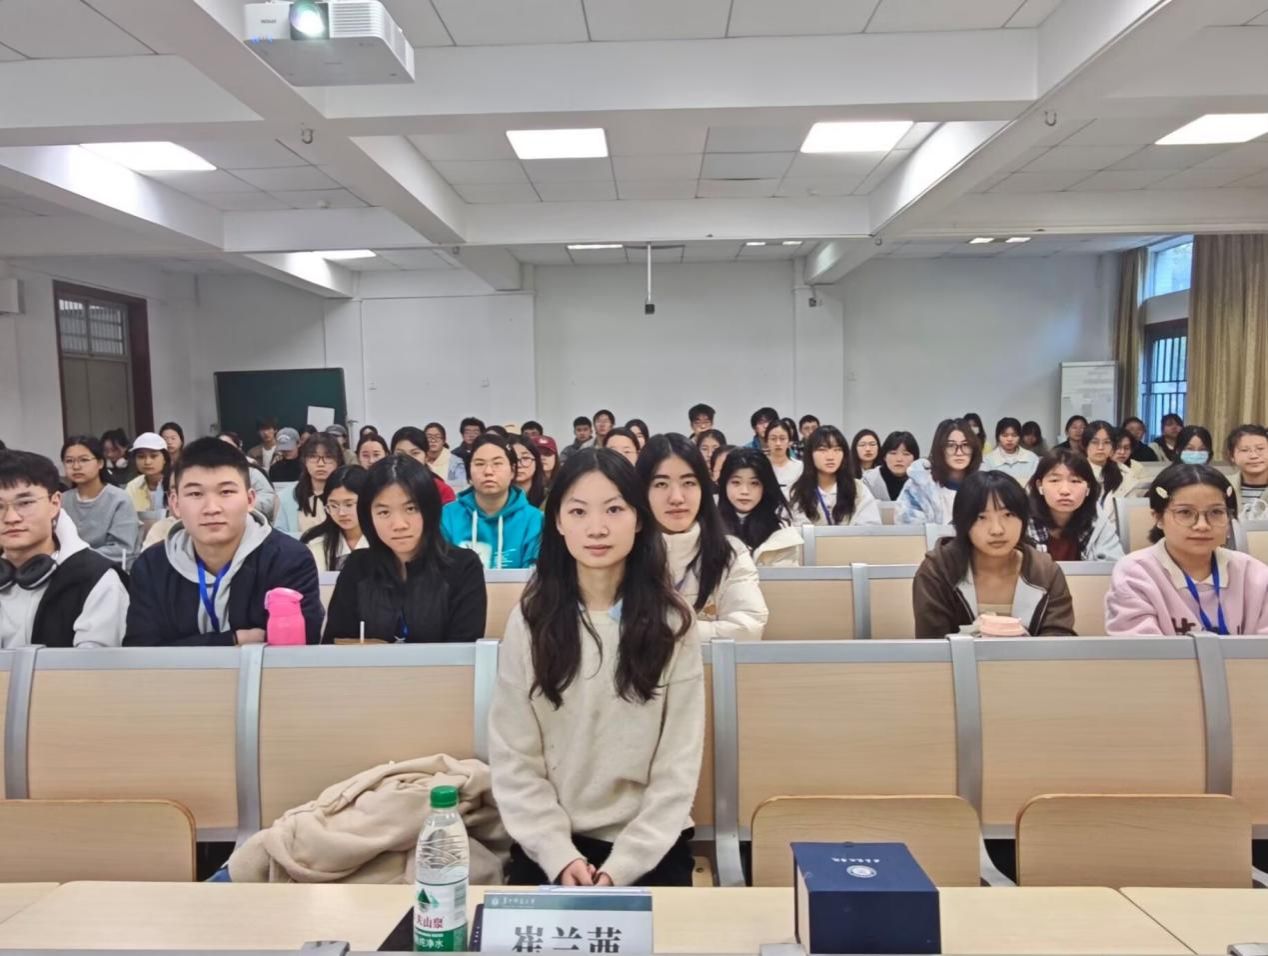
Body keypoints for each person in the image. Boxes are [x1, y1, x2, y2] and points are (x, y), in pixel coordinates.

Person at [489, 448, 702, 887]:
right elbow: (515, 757)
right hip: (550, 842)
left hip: (650, 844)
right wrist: (557, 853)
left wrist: (625, 864)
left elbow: (678, 764)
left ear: (639, 518)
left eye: (614, 509)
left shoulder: (673, 622)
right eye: (579, 511)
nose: (597, 528)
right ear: (558, 521)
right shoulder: (531, 619)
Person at [125, 437, 323, 647]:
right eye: (195, 493)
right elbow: (141, 651)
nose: (212, 508)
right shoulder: (151, 566)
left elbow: (298, 648)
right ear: (175, 504)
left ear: (250, 500)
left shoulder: (288, 559)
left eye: (226, 492)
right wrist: (233, 640)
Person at [324, 457, 486, 643]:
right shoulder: (357, 566)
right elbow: (334, 644)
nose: (399, 525)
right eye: (384, 512)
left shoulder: (463, 566)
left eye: (411, 509)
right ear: (368, 517)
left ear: (430, 510)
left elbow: (464, 650)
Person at [1105, 464, 1268, 635]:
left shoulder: (1254, 574)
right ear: (1158, 517)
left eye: (1216, 512)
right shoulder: (1136, 573)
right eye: (1185, 512)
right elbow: (1142, 649)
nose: (1202, 525)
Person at [913, 470, 1075, 638]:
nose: (997, 530)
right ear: (963, 521)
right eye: (981, 517)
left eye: (1008, 515)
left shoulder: (1045, 572)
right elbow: (933, 644)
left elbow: (1058, 641)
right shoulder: (938, 571)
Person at [638, 434, 768, 641]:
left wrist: (660, 632)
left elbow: (747, 628)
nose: (677, 498)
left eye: (688, 482)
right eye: (661, 484)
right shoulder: (623, 554)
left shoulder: (730, 553)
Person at [0, 450, 128, 648]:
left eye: (25, 503)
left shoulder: (96, 579)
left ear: (55, 503)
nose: (11, 518)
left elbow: (91, 666)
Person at [440, 434, 543, 569]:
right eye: (479, 464)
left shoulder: (534, 519)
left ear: (512, 470)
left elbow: (534, 575)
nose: (488, 471)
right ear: (469, 474)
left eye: (497, 463)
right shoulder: (447, 516)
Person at [1027, 449, 1124, 562]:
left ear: (1088, 488)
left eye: (1075, 481)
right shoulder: (1022, 520)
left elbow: (1113, 565)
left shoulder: (1098, 519)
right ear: (1039, 486)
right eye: (1054, 480)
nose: (1065, 491)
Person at [59, 436, 138, 566]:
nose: (76, 466)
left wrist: (77, 558)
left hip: (108, 570)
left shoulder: (119, 499)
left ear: (100, 463)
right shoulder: (61, 500)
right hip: (66, 568)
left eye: (84, 460)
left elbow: (122, 549)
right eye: (69, 461)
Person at [718, 448, 802, 566]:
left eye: (754, 483)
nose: (745, 491)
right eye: (736, 482)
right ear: (724, 484)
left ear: (765, 486)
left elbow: (785, 577)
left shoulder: (782, 533)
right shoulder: (707, 528)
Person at [788, 425, 881, 527]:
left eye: (837, 450)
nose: (830, 457)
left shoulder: (858, 489)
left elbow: (870, 528)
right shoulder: (796, 491)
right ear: (810, 454)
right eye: (822, 450)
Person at [896, 419, 981, 526]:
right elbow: (906, 525)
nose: (959, 452)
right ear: (940, 449)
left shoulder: (983, 486)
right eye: (951, 445)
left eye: (965, 445)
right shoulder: (918, 485)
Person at [300, 465, 368, 572]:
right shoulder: (315, 544)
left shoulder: (385, 540)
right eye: (333, 505)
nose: (341, 513)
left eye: (349, 504)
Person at [276, 434, 339, 536]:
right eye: (313, 457)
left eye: (328, 457)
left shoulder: (348, 493)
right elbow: (279, 535)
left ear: (338, 461)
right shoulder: (287, 496)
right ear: (304, 461)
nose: (321, 464)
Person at [219, 433, 279, 525]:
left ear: (238, 449)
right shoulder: (208, 474)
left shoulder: (252, 472)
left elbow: (268, 502)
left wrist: (243, 503)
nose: (224, 451)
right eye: (219, 447)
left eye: (229, 446)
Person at [390, 427, 457, 504]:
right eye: (400, 454)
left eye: (415, 453)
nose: (408, 459)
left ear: (426, 456)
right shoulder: (383, 486)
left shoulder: (441, 490)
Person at [863, 430, 919, 502]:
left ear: (915, 458)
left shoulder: (923, 482)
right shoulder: (869, 481)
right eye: (893, 453)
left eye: (906, 454)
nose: (899, 459)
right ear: (884, 457)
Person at [1227, 424, 1268, 522]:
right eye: (1244, 450)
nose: (1254, 456)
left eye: (1260, 449)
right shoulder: (1222, 484)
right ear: (1232, 456)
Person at [1080, 420, 1129, 502]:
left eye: (1106, 442)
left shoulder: (1124, 471)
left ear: (1113, 446)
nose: (1101, 447)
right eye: (1095, 442)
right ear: (1085, 445)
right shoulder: (1076, 470)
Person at [124, 432, 171, 515]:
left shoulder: (175, 482)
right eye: (141, 457)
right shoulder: (133, 486)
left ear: (165, 459)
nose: (147, 462)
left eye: (153, 456)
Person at [983, 417, 1038, 486]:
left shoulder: (1032, 458)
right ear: (998, 437)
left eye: (1014, 435)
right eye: (1005, 435)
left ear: (1020, 437)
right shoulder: (987, 460)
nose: (1009, 439)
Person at [424, 421, 468, 489]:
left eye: (437, 437)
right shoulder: (419, 460)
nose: (433, 440)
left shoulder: (456, 462)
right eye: (429, 437)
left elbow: (462, 486)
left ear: (444, 440)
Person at [508, 434, 547, 508]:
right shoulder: (497, 497)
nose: (519, 465)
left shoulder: (549, 497)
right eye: (513, 458)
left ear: (537, 462)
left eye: (525, 458)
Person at [764, 419, 803, 492]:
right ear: (766, 442)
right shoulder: (760, 466)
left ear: (790, 442)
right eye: (773, 439)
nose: (778, 443)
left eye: (782, 439)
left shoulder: (800, 467)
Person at [451, 417, 486, 490]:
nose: (471, 435)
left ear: (481, 434)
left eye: (475, 432)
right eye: (468, 432)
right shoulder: (454, 454)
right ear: (462, 434)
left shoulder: (486, 453)